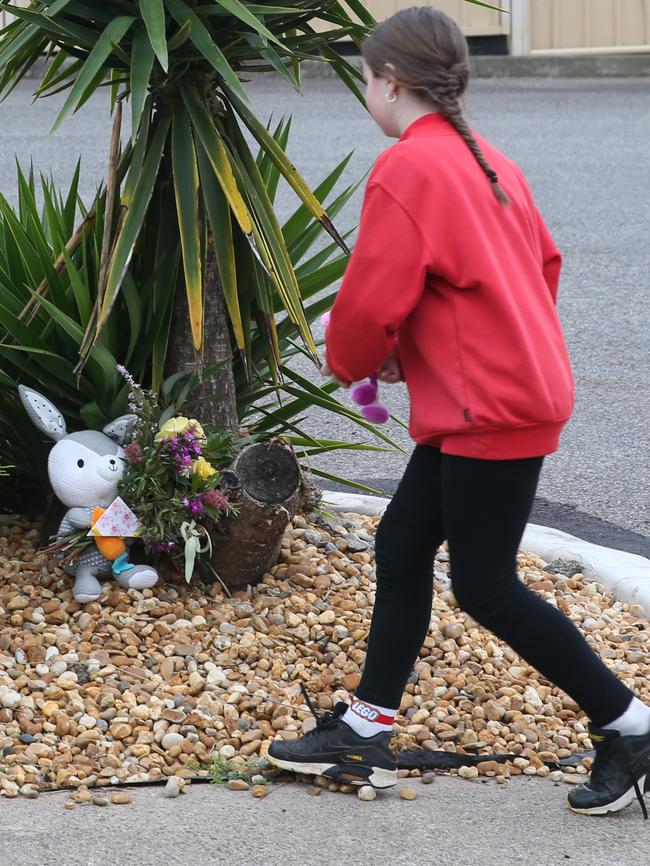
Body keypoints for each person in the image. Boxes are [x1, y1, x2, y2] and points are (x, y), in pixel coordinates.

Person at [268, 6, 650, 817]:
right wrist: (447, 351)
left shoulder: (409, 169)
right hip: (503, 394)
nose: (367, 92)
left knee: (485, 587)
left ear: (390, 83)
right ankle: (366, 726)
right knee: (403, 543)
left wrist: (355, 361)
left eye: (366, 80)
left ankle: (631, 725)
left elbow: (373, 300)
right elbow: (537, 268)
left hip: (489, 409)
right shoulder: (492, 163)